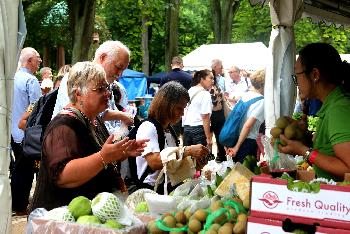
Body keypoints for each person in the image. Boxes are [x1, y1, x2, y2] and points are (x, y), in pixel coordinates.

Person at [29, 62, 148, 211]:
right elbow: (63, 175)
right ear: (78, 94)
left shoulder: (93, 118)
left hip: (84, 216)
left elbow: (95, 153)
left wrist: (120, 152)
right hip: (64, 220)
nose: (107, 93)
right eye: (100, 89)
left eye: (107, 87)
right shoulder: (63, 126)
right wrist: (104, 157)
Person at [278, 43, 350, 181]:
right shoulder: (332, 105)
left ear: (315, 74)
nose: (297, 83)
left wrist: (303, 151)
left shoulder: (338, 109)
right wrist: (302, 139)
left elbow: (348, 168)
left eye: (297, 76)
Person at [135, 81, 209, 194]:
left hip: (167, 188)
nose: (182, 113)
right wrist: (187, 151)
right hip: (151, 192)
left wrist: (195, 165)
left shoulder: (169, 130)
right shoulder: (148, 127)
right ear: (166, 105)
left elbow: (171, 164)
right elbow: (154, 162)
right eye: (179, 108)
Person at [11, 47, 42, 215]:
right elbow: (37, 110)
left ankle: (15, 203)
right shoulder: (30, 81)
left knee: (17, 169)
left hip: (11, 132)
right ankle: (21, 205)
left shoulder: (11, 78)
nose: (40, 62)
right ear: (29, 60)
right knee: (26, 171)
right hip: (26, 133)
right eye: (38, 59)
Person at [226, 69, 265, 163]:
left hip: (235, 138)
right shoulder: (261, 101)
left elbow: (231, 117)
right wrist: (237, 147)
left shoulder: (245, 95)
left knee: (236, 173)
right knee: (246, 175)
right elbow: (248, 125)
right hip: (247, 142)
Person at [183, 69, 213, 167]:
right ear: (202, 79)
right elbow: (205, 116)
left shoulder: (190, 90)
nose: (213, 81)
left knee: (188, 161)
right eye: (210, 78)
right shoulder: (205, 94)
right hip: (199, 130)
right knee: (202, 163)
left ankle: (190, 181)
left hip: (187, 129)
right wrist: (208, 138)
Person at [210, 63, 226, 162]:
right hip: (215, 114)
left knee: (217, 137)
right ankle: (216, 157)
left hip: (216, 114)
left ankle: (220, 156)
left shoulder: (214, 87)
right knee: (213, 138)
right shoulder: (214, 87)